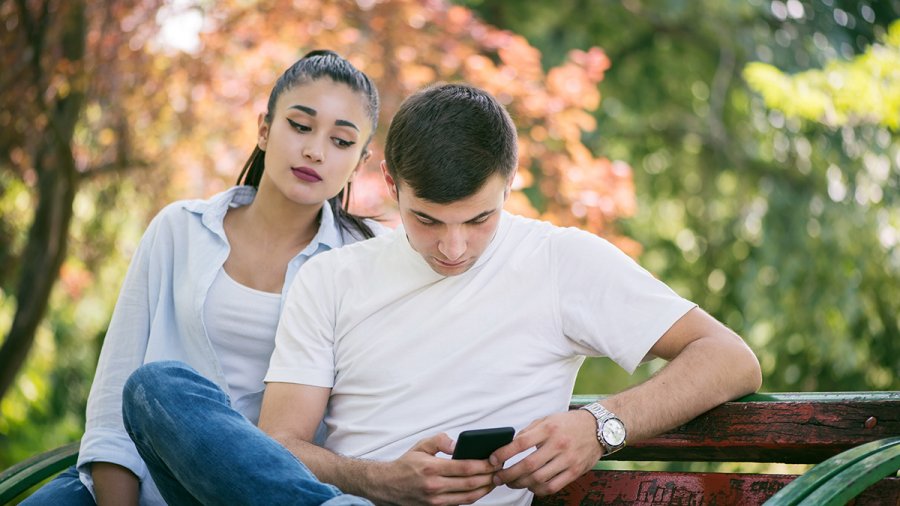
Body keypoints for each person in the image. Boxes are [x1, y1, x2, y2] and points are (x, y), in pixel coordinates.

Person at [122, 83, 762, 505]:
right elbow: (280, 450)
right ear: (390, 182)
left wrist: (600, 426)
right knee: (156, 389)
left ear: (509, 183)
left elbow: (730, 358)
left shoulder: (562, 260)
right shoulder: (331, 278)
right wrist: (385, 483)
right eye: (427, 221)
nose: (453, 249)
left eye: (479, 220)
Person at [23, 49, 384, 506]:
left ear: (362, 160)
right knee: (156, 384)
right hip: (136, 481)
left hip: (256, 493)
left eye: (342, 141)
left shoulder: (362, 260)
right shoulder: (181, 230)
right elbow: (117, 392)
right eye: (300, 125)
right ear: (264, 128)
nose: (315, 150)